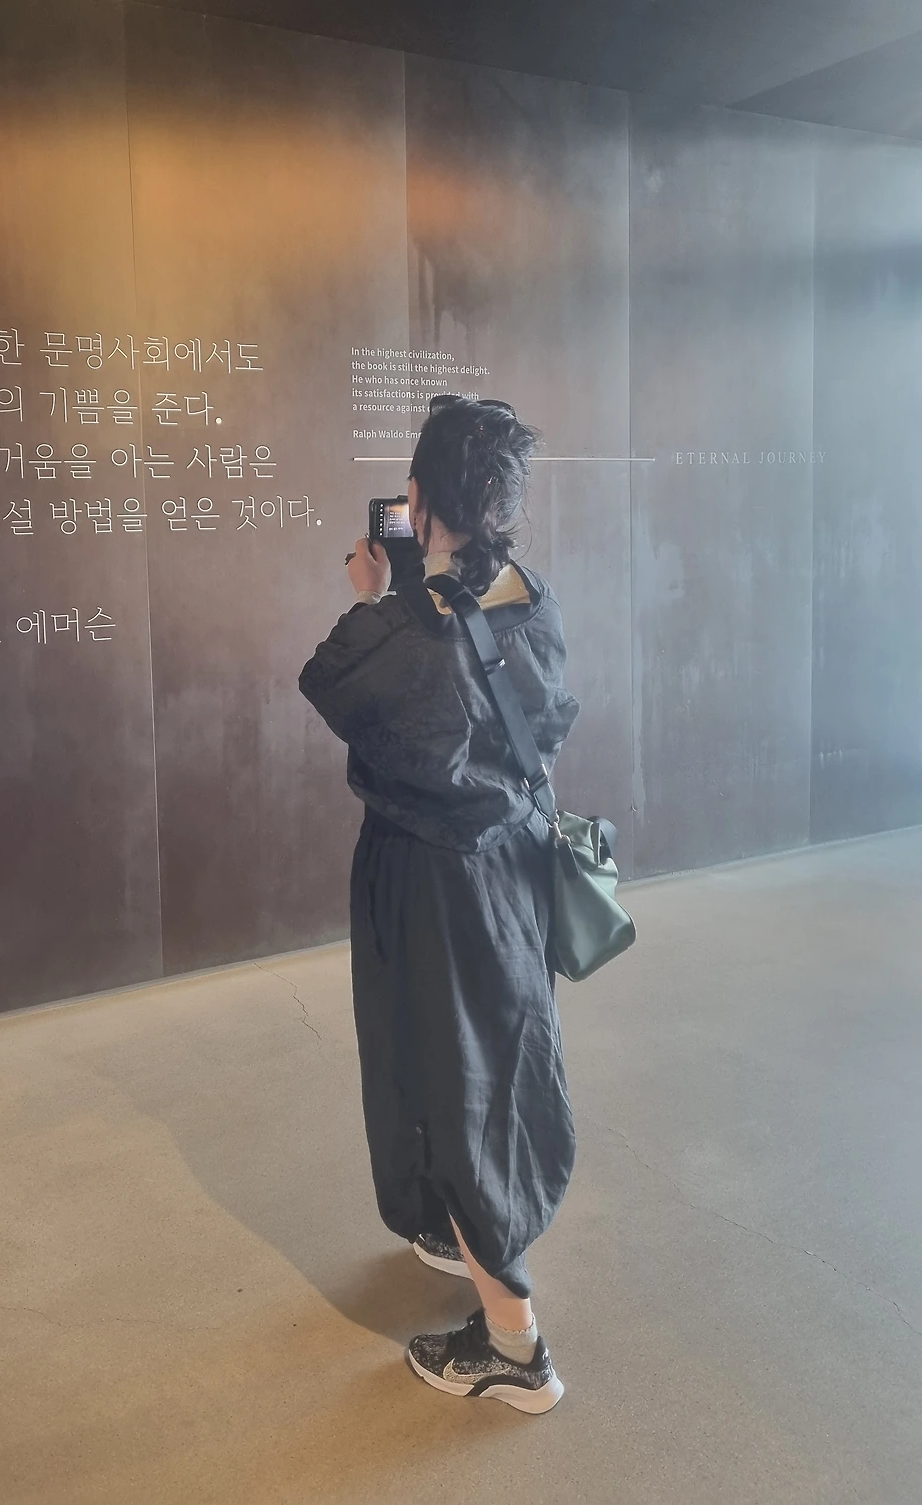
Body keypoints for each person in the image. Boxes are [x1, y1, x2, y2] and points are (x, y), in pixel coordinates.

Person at [298, 394, 580, 1412]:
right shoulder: (527, 596)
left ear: (416, 501)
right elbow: (520, 706)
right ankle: (457, 1225)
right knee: (491, 1062)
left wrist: (373, 595)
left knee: (454, 1076)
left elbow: (333, 684)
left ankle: (515, 1347)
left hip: (434, 884)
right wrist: (415, 590)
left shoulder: (406, 630)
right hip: (509, 868)